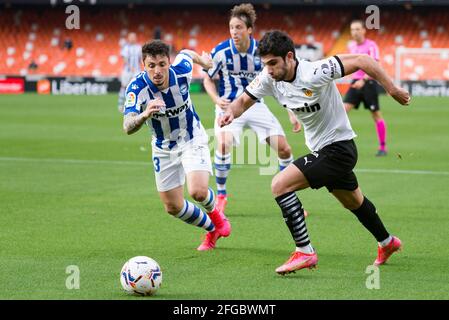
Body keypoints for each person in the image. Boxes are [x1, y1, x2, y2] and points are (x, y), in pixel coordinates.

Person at [218, 30, 410, 275]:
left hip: (339, 148)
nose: (269, 69)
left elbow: (364, 60)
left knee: (279, 184)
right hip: (323, 150)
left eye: (273, 63)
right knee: (354, 202)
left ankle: (305, 251)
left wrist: (391, 89)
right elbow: (243, 101)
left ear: (289, 57)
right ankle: (387, 242)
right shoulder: (268, 78)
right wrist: (230, 113)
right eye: (265, 64)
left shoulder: (315, 71)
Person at [122, 40, 231, 251]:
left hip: (192, 137)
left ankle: (218, 217)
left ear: (169, 63)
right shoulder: (136, 88)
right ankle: (212, 229)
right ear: (143, 65)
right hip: (163, 147)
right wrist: (145, 114)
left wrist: (206, 63)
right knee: (172, 207)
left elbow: (188, 53)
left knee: (198, 191)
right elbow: (127, 126)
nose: (157, 71)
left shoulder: (181, 71)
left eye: (162, 64)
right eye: (151, 65)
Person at [203, 3, 302, 214]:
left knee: (284, 149)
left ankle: (290, 199)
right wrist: (215, 99)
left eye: (239, 27)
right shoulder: (220, 52)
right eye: (231, 27)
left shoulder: (261, 52)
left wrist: (290, 112)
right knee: (223, 144)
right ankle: (221, 196)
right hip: (229, 106)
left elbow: (279, 83)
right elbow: (207, 80)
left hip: (256, 106)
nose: (234, 32)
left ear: (249, 30)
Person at [344, 20, 387, 156]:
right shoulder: (351, 46)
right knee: (342, 111)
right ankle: (338, 144)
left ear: (364, 30)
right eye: (352, 30)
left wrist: (363, 80)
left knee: (376, 115)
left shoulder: (371, 45)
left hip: (368, 83)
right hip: (355, 83)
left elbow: (375, 65)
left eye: (357, 29)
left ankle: (382, 147)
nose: (354, 32)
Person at [118, 32, 142, 113]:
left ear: (136, 38)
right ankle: (120, 105)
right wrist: (130, 66)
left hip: (137, 70)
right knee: (124, 86)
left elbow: (141, 59)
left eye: (133, 37)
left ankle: (138, 104)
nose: (132, 38)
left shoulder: (139, 47)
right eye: (130, 37)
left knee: (138, 86)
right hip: (127, 71)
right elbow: (124, 59)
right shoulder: (126, 47)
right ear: (128, 38)